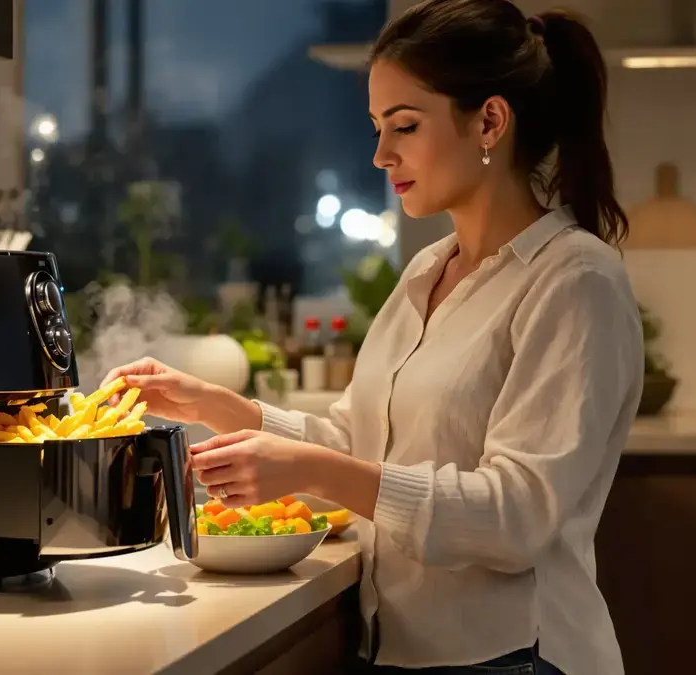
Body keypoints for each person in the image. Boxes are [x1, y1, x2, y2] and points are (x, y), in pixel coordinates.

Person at [100, 1, 643, 673]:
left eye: (405, 126)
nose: (382, 154)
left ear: (490, 122)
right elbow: (361, 445)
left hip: (516, 655)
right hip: (400, 647)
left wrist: (310, 468)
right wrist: (218, 407)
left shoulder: (575, 280)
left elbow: (515, 517)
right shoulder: (427, 272)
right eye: (377, 127)